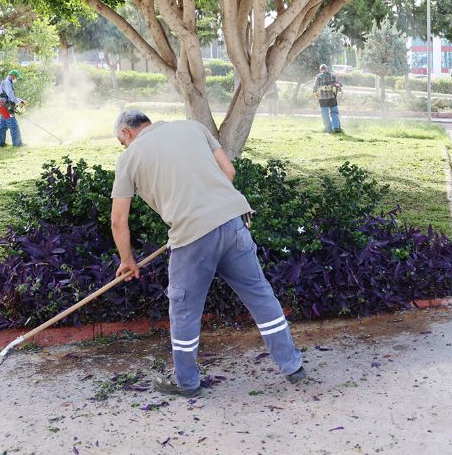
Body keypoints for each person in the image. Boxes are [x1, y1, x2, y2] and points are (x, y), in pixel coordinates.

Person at [110, 110, 306, 397]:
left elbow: (118, 220)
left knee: (185, 311)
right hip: (233, 222)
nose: (124, 147)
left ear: (127, 133)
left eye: (121, 141)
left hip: (191, 238)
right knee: (261, 296)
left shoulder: (129, 157)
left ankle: (186, 382)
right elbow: (229, 172)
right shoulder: (192, 127)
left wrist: (127, 260)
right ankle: (292, 366)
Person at [0, 69, 24, 147]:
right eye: (16, 78)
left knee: (2, 125)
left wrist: (20, 100)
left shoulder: (4, 82)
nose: (16, 80)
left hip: (2, 106)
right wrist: (18, 102)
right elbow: (11, 96)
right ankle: (17, 144)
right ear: (12, 76)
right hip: (6, 107)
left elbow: (7, 96)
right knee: (13, 125)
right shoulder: (7, 83)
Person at [312, 64, 342, 133]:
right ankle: (336, 127)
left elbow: (314, 87)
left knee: (325, 114)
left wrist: (315, 94)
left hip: (322, 99)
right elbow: (338, 85)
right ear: (327, 69)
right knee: (334, 112)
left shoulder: (318, 76)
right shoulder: (332, 76)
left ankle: (329, 130)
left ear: (321, 70)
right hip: (332, 98)